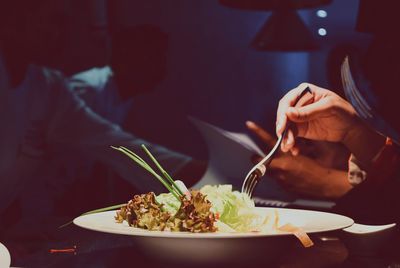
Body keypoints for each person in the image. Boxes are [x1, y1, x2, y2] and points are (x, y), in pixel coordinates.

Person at [0, 0, 205, 258]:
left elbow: (115, 144)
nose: (59, 34)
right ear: (11, 21)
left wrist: (205, 172)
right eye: (51, 20)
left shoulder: (48, 86)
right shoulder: (85, 88)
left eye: (63, 23)